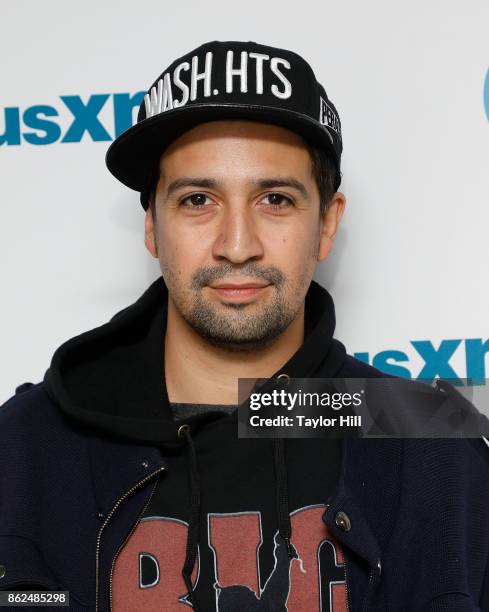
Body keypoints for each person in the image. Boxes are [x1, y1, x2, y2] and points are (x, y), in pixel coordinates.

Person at [1, 40, 488, 612]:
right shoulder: (23, 450)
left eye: (275, 199)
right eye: (198, 199)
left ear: (327, 224)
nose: (238, 246)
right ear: (153, 227)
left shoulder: (434, 446)